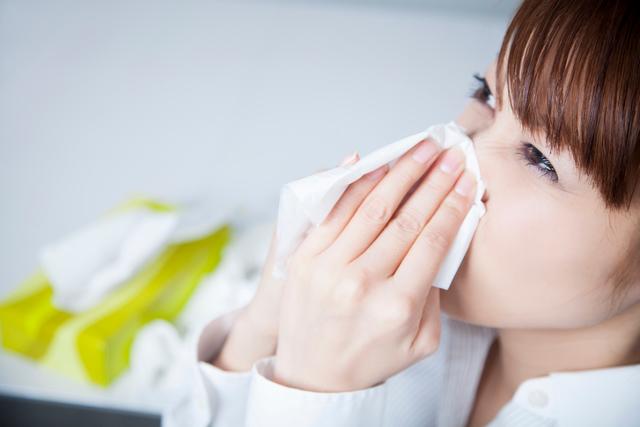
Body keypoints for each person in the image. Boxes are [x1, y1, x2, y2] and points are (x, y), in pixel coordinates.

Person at [163, 0, 640, 426]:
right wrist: (268, 323)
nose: (459, 153)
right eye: (487, 96)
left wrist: (318, 393)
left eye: (539, 158)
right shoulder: (389, 313)